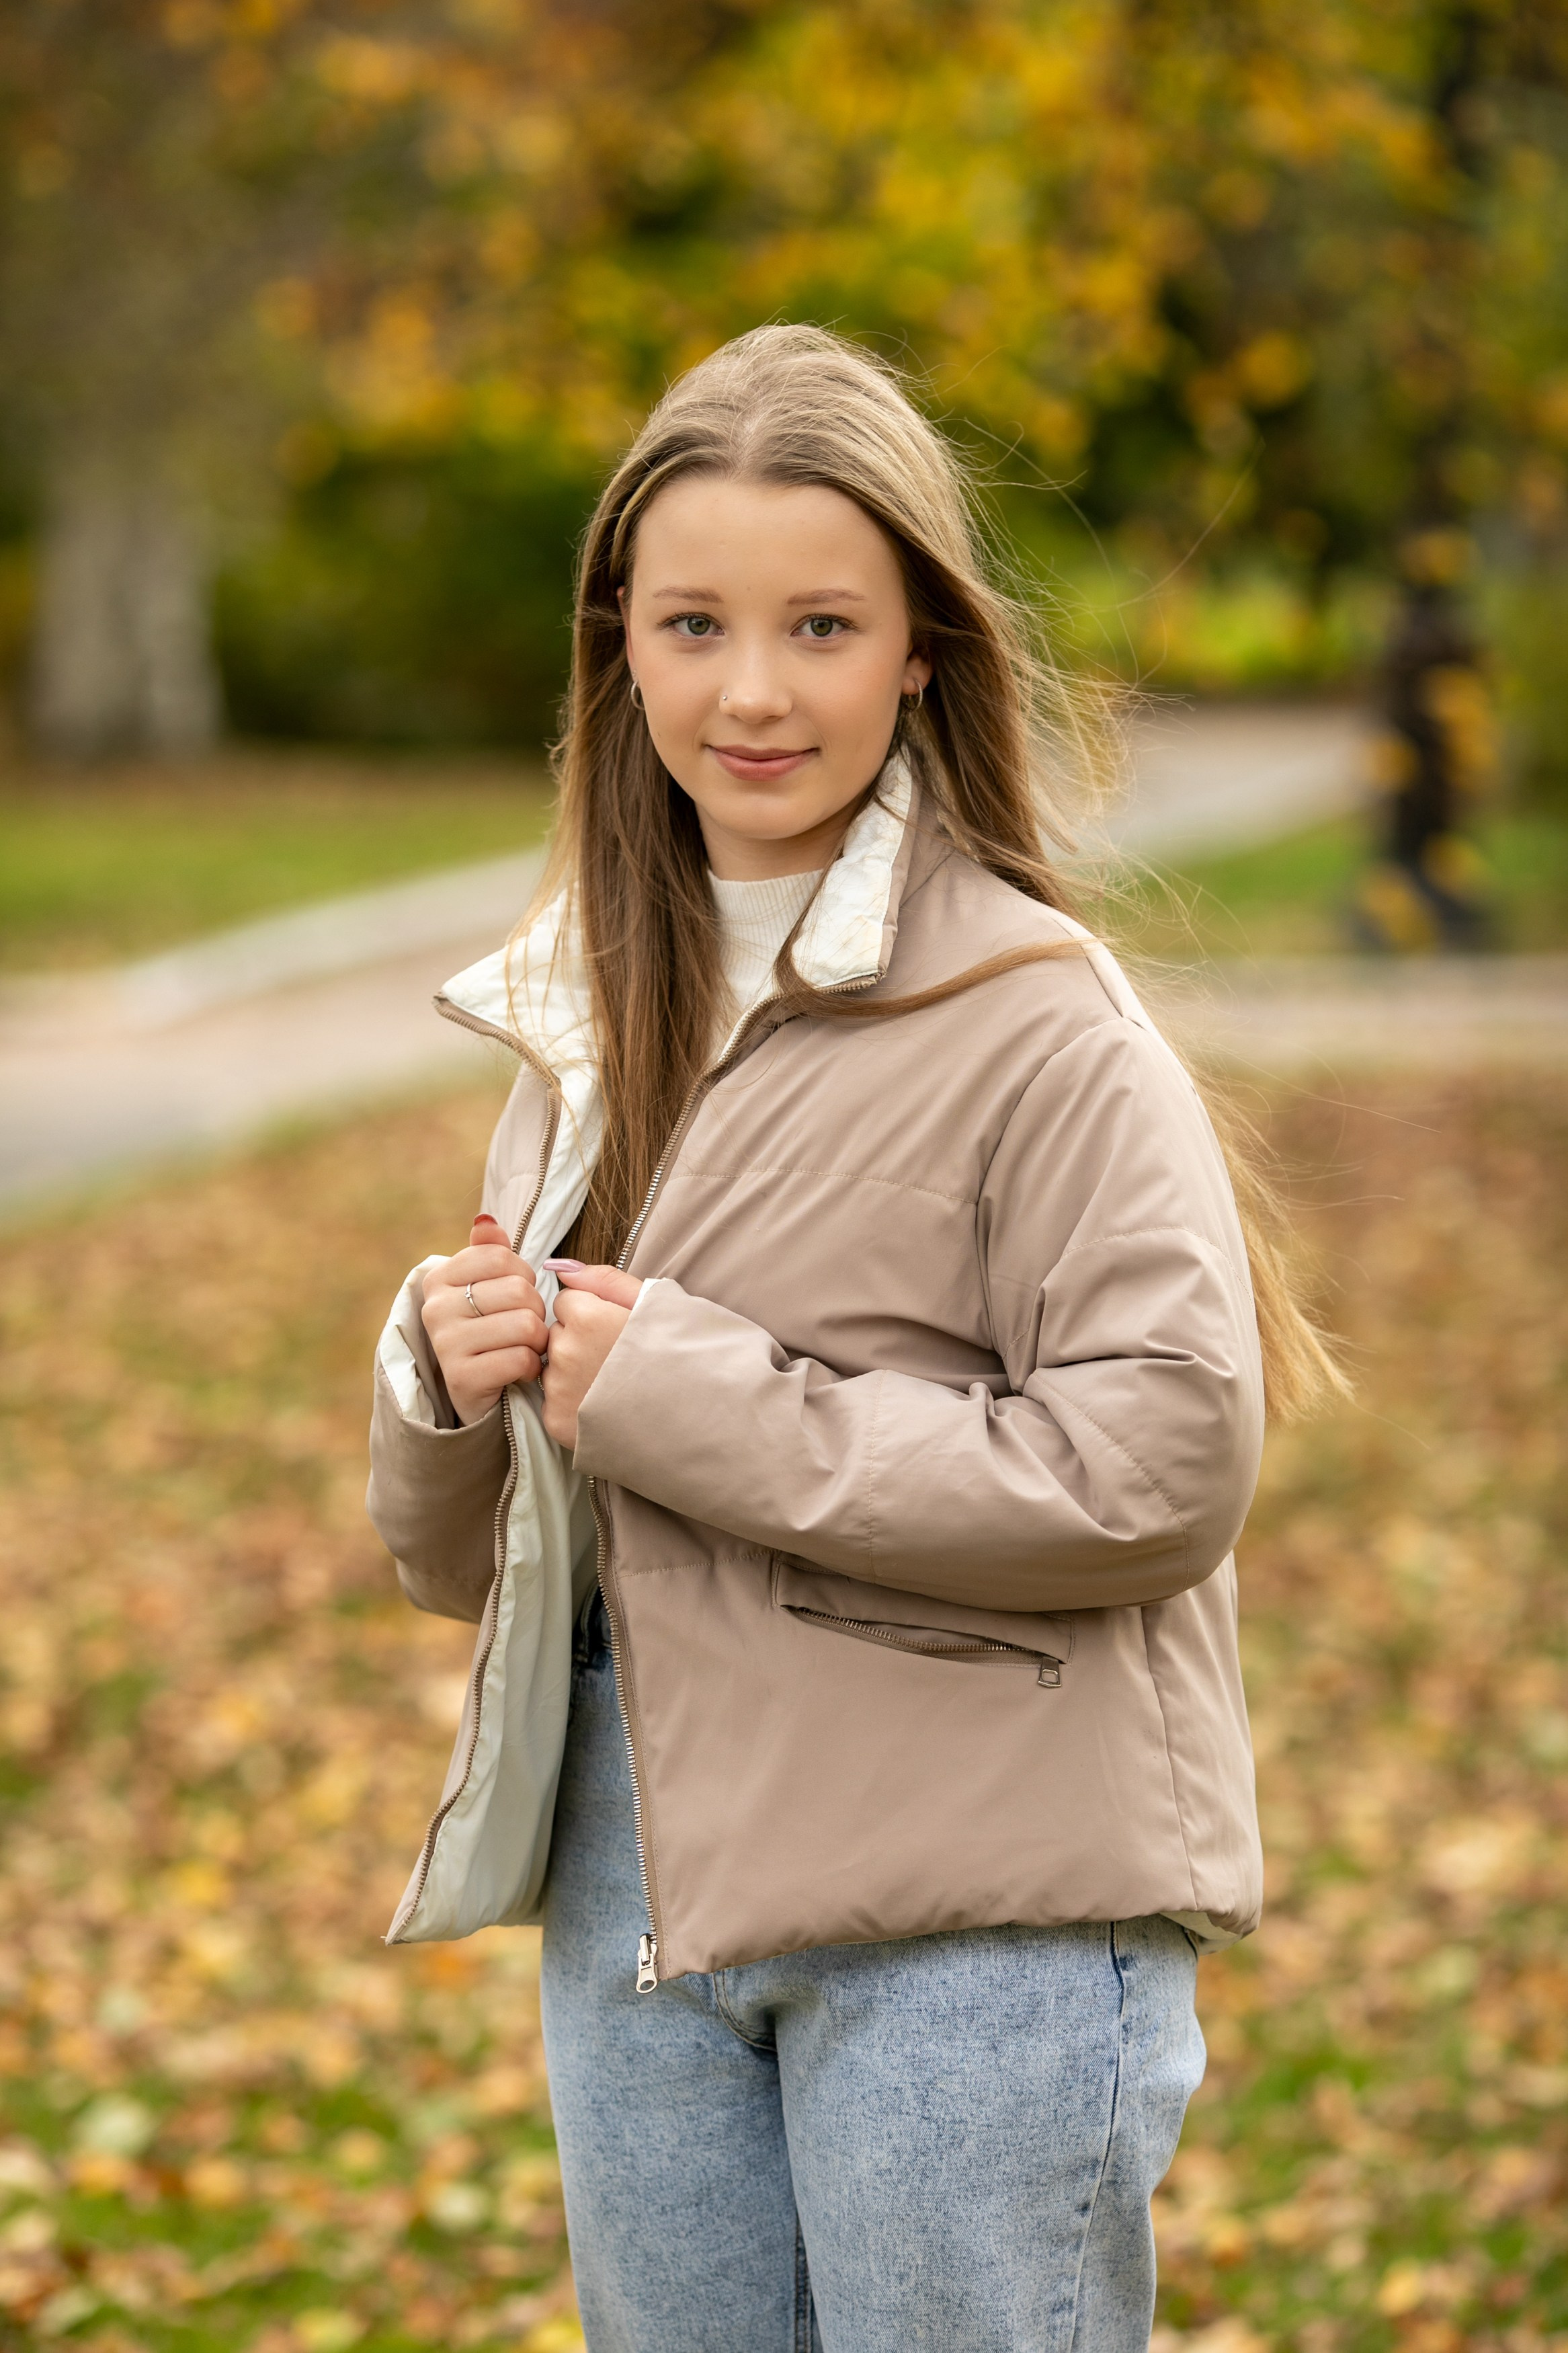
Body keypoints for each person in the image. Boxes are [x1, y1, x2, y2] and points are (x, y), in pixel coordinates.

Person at [367, 325, 1342, 2353]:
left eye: (820, 623)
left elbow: (1161, 1464)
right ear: (615, 647)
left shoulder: (1041, 1022)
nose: (751, 688)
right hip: (638, 1886)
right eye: (693, 621)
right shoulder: (574, 1021)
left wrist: (680, 1394)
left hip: (972, 1911)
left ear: (920, 648)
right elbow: (477, 1559)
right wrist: (442, 1382)